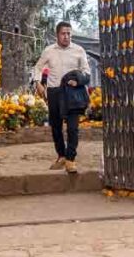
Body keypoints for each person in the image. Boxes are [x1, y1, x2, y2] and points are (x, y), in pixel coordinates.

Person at [32, 21, 90, 174]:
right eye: (63, 33)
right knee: (56, 126)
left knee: (73, 128)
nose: (66, 36)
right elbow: (38, 67)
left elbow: (87, 73)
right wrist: (37, 82)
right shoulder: (49, 51)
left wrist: (78, 80)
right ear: (57, 34)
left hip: (72, 93)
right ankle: (61, 155)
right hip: (54, 92)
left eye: (69, 33)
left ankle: (70, 159)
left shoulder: (79, 50)